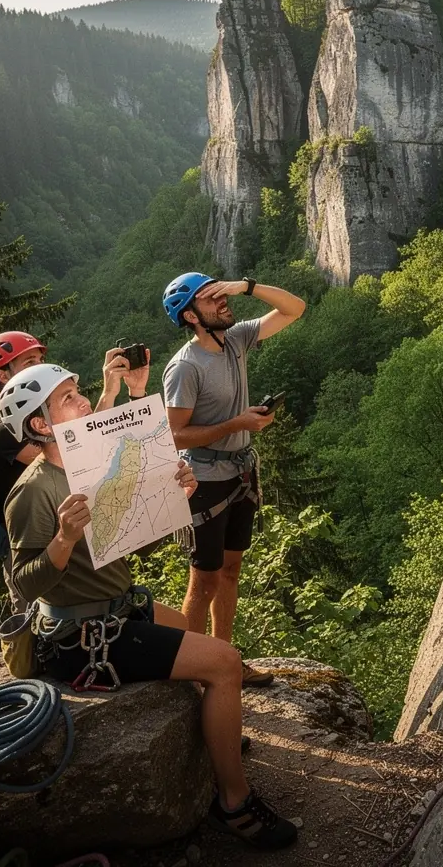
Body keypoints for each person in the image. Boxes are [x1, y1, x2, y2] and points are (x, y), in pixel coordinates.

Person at [0, 363, 297, 850]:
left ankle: (217, 742)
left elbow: (128, 540)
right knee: (224, 664)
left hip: (115, 609)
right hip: (81, 636)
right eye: (69, 398)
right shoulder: (32, 492)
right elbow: (30, 583)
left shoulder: (85, 469)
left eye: (77, 391)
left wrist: (171, 494)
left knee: (198, 641)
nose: (83, 401)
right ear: (40, 425)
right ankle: (235, 802)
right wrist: (63, 537)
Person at [162, 273, 306, 683]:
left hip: (240, 472)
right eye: (211, 299)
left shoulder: (236, 339)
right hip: (205, 481)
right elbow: (173, 436)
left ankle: (226, 662)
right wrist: (236, 423)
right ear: (191, 316)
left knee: (230, 570)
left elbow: (294, 308)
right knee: (204, 579)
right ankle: (187, 675)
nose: (221, 301)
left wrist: (244, 285)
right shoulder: (185, 368)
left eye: (219, 293)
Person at [0, 331, 151, 609]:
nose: (39, 366)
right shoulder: (4, 433)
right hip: (39, 539)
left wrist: (123, 391)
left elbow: (83, 443)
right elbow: (80, 448)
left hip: (77, 537)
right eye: (28, 362)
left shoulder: (39, 418)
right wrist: (112, 394)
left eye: (39, 360)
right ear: (2, 375)